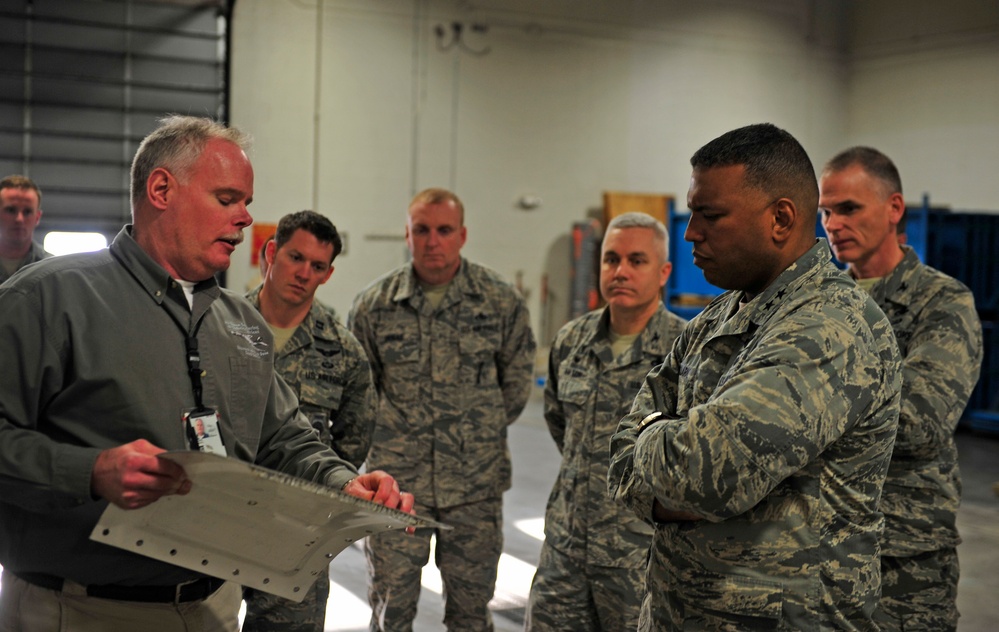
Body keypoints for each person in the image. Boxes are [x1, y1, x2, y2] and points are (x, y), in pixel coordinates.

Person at [0, 115, 412, 632]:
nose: (245, 218)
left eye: (247, 203)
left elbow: (283, 437)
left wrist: (344, 483)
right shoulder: (47, 299)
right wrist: (90, 471)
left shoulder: (241, 324)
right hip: (80, 610)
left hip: (213, 608)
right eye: (227, 199)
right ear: (161, 189)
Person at [607, 123, 902, 630]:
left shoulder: (831, 325)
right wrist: (672, 453)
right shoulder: (715, 319)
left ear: (781, 219)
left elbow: (704, 475)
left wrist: (652, 433)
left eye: (710, 216)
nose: (690, 233)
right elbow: (618, 461)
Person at [348, 187, 536, 631]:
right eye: (422, 230)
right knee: (390, 611)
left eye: (444, 230)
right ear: (407, 235)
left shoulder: (499, 301)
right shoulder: (374, 306)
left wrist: (473, 434)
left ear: (463, 235)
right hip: (396, 489)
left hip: (474, 490)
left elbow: (515, 387)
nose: (433, 240)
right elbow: (361, 394)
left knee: (470, 614)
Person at [819, 146, 983, 631]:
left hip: (904, 560)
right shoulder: (822, 302)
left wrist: (809, 405)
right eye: (825, 212)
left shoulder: (942, 303)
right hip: (818, 550)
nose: (832, 224)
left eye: (848, 208)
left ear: (894, 209)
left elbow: (918, 424)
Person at [525, 212, 686, 631]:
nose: (621, 271)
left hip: (640, 557)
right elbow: (560, 424)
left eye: (637, 260)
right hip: (565, 548)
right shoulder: (571, 342)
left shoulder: (687, 352)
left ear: (664, 271)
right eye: (611, 259)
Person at [243, 210, 376, 632]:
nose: (303, 273)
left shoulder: (343, 352)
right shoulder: (221, 326)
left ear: (328, 274)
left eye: (317, 266)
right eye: (295, 257)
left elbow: (351, 445)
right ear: (270, 253)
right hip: (219, 516)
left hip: (295, 534)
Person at [0, 174, 52, 283]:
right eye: (11, 210)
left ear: (37, 217)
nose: (19, 219)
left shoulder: (52, 269)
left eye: (27, 212)